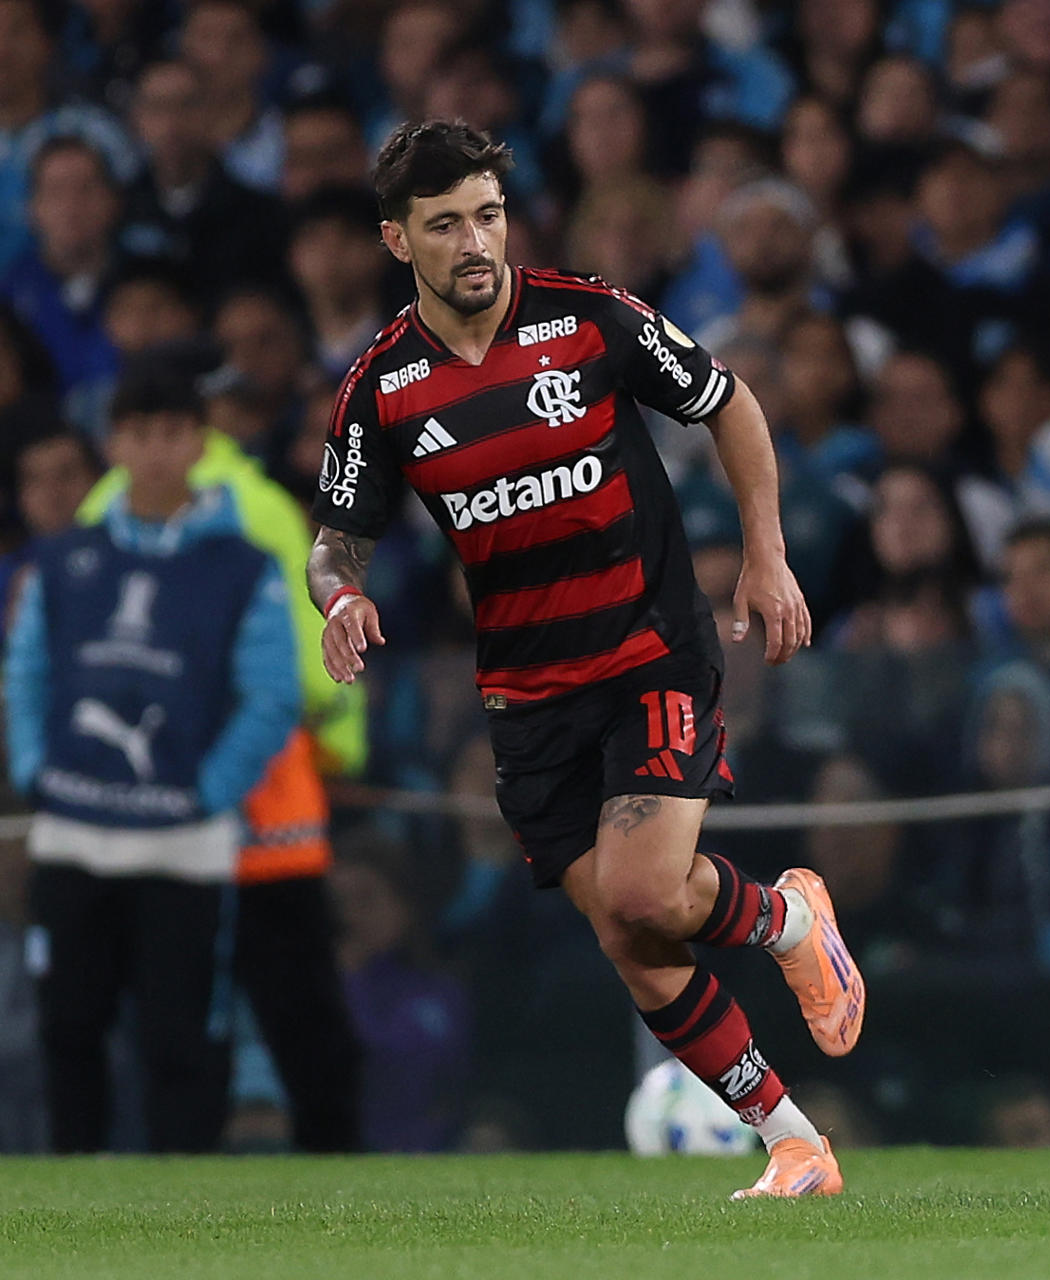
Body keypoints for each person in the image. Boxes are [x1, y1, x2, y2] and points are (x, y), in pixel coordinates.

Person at [303, 121, 862, 1199]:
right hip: (525, 695)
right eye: (445, 224)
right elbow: (336, 541)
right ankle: (794, 1136)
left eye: (487, 215)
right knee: (627, 929)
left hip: (650, 653)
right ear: (396, 239)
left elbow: (730, 402)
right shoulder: (382, 388)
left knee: (647, 890)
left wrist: (765, 554)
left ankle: (791, 924)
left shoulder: (588, 316)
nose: (475, 242)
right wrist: (341, 595)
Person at [3, 358, 302, 1152]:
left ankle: (186, 1216)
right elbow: (25, 671)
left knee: (180, 1041)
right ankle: (73, 1203)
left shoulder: (242, 568)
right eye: (139, 434)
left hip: (183, 843)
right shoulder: (63, 564)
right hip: (74, 831)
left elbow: (274, 695)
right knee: (69, 1026)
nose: (157, 451)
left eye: (173, 434)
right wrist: (36, 768)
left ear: (198, 443)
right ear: (115, 443)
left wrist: (208, 792)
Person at [79, 415, 370, 1153]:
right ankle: (328, 1167)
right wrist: (337, 743)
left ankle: (181, 1169)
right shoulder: (263, 505)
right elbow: (309, 665)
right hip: (242, 813)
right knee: (283, 1016)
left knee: (184, 1016)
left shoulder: (107, 512)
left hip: (186, 813)